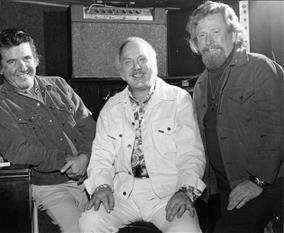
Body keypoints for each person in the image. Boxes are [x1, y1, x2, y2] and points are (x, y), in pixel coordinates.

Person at [78, 36, 206, 233]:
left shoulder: (179, 100)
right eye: (128, 62)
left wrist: (185, 191)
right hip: (121, 195)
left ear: (154, 63)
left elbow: (191, 154)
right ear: (121, 72)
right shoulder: (111, 108)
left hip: (168, 195)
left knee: (186, 230)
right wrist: (101, 186)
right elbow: (101, 156)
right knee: (89, 222)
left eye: (142, 59)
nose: (136, 67)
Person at [0, 28, 96, 233]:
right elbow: (19, 151)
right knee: (79, 229)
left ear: (36, 59)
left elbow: (87, 124)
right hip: (51, 187)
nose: (22, 67)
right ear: (0, 68)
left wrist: (84, 156)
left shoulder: (59, 84)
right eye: (11, 62)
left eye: (27, 58)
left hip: (92, 176)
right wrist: (68, 162)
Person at [186, 1, 284, 232]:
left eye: (216, 32)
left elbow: (277, 130)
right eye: (202, 35)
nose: (209, 42)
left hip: (266, 184)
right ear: (195, 44)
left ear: (233, 34)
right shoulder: (200, 84)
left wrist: (258, 181)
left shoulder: (259, 68)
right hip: (225, 187)